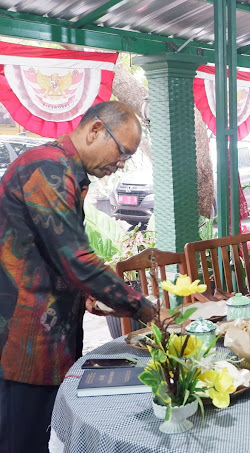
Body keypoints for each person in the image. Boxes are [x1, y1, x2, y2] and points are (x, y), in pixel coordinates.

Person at [0, 101, 157, 453]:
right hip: (22, 341)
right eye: (121, 153)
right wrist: (145, 309)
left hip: (49, 336)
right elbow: (77, 258)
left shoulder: (66, 171)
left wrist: (85, 292)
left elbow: (53, 253)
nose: (120, 165)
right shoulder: (46, 169)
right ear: (96, 130)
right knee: (20, 441)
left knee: (42, 435)